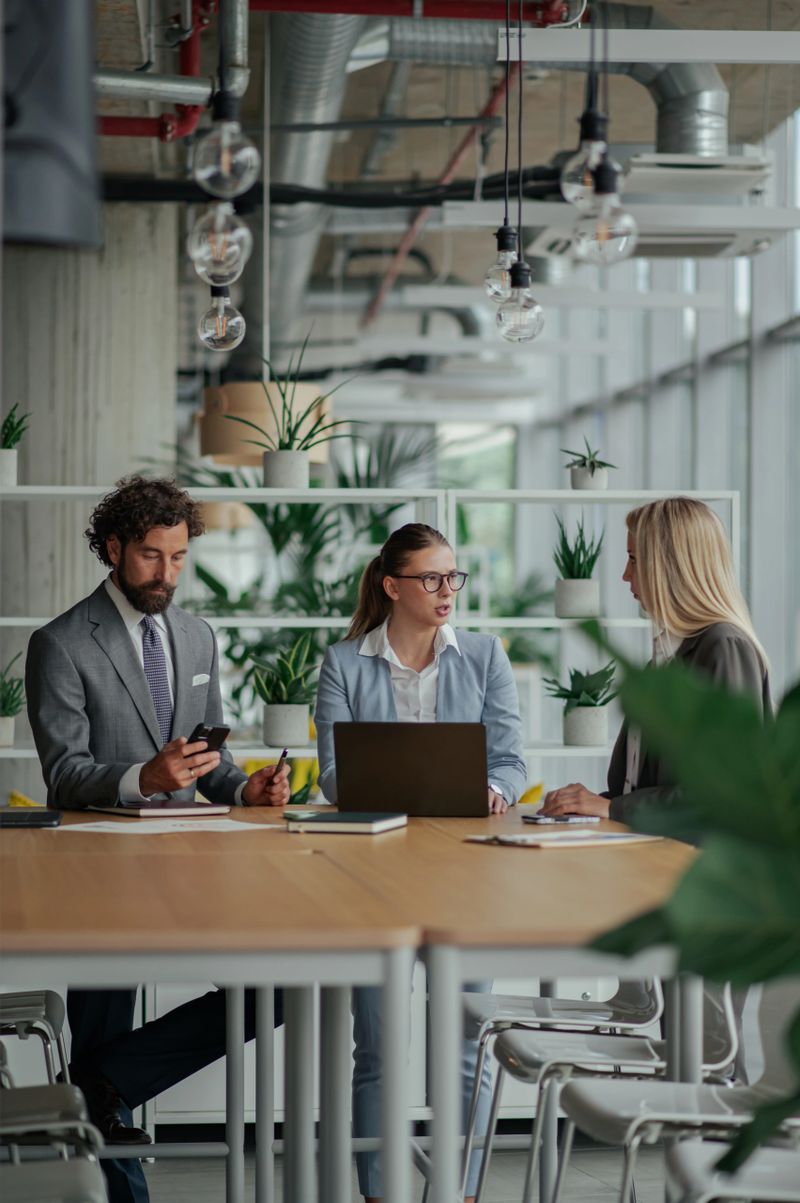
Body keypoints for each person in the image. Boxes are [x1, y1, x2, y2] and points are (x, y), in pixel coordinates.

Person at [25, 476, 290, 1203]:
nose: (166, 574)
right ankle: (121, 1176)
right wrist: (144, 775)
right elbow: (67, 771)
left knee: (278, 984)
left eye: (177, 558)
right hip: (97, 875)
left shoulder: (198, 635)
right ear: (112, 549)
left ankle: (99, 1086)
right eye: (150, 556)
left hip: (194, 868)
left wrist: (246, 789)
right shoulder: (58, 643)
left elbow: (211, 763)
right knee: (105, 1024)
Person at [314, 522, 527, 1203]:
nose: (447, 590)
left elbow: (512, 760)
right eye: (432, 577)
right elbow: (331, 776)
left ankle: (459, 1192)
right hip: (373, 873)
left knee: (468, 1040)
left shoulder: (486, 656)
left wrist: (492, 789)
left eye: (453, 576)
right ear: (392, 585)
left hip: (469, 871)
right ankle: (379, 1192)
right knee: (377, 1049)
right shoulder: (344, 663)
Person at [541, 497, 771, 822]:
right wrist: (588, 802)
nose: (624, 575)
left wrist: (609, 807)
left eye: (634, 560)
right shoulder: (667, 655)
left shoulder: (724, 646)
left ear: (671, 566)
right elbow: (646, 787)